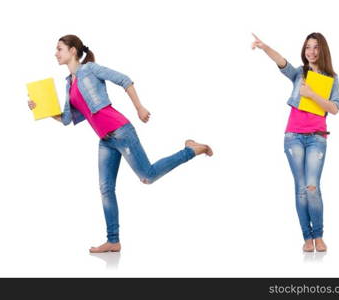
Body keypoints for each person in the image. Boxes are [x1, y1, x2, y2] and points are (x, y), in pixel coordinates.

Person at [29, 34, 213, 253]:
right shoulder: (69, 83)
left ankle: (190, 149)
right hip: (105, 140)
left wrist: (139, 108)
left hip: (120, 131)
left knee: (148, 176)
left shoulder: (90, 69)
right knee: (106, 189)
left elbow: (124, 80)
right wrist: (43, 109)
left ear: (73, 51)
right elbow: (68, 119)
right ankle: (113, 241)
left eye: (59, 49)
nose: (55, 53)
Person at [251, 33, 339, 252]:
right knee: (301, 189)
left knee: (312, 187)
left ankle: (319, 234)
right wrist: (264, 47)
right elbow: (281, 61)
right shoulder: (300, 73)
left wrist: (311, 94)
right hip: (293, 136)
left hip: (317, 138)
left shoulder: (332, 78)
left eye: (315, 47)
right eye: (307, 47)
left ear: (323, 51)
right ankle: (307, 238)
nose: (311, 51)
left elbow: (335, 108)